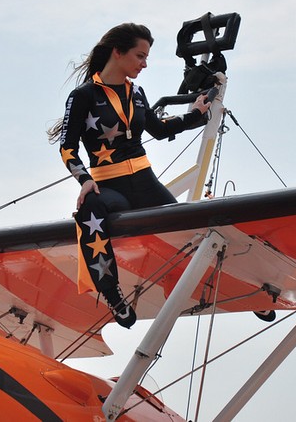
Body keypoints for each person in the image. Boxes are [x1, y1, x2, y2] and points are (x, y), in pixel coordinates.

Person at [48, 23, 212, 328]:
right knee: (88, 209)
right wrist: (84, 180)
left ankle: (227, 286)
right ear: (118, 52)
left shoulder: (136, 92)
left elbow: (159, 130)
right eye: (140, 56)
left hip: (146, 183)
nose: (144, 64)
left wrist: (195, 114)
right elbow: (67, 148)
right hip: (110, 187)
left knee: (194, 228)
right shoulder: (82, 96)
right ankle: (111, 294)